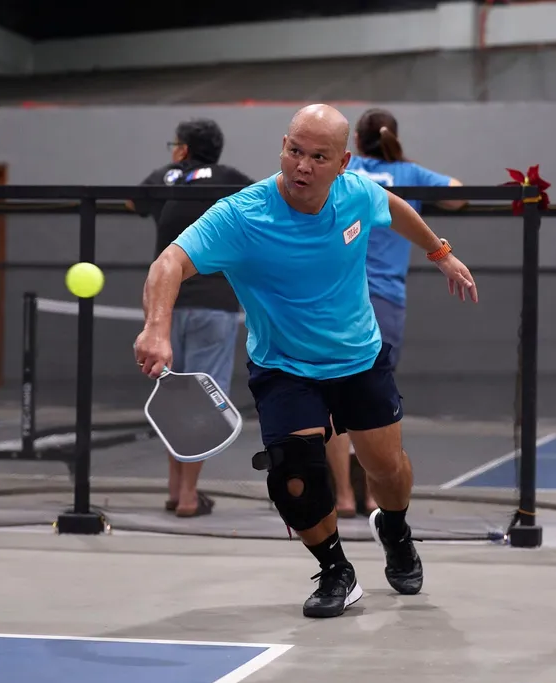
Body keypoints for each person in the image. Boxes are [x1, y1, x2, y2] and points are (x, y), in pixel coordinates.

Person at [134, 104, 478, 619]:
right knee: (293, 477)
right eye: (295, 151)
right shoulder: (241, 215)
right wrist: (156, 329)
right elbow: (169, 263)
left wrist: (440, 252)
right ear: (283, 146)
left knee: (387, 469)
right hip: (284, 365)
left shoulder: (355, 192)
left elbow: (393, 206)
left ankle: (395, 528)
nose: (303, 166)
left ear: (342, 163)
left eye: (319, 157)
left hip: (358, 357)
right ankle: (336, 569)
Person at [325, 107, 467, 518]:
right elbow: (458, 194)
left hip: (337, 296)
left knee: (332, 397)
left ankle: (343, 496)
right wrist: (410, 170)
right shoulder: (409, 174)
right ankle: (375, 496)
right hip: (385, 299)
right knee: (373, 397)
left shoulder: (345, 172)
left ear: (355, 142)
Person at [151, 119, 255, 517]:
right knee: (202, 400)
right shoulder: (231, 179)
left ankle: (175, 490)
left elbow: (130, 202)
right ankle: (189, 496)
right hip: (215, 305)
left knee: (174, 396)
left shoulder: (165, 177)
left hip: (166, 306)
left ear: (183, 149)